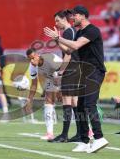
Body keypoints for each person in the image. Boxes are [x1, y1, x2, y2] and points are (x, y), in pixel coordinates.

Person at [44, 5, 108, 153]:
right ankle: (84, 141)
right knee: (79, 106)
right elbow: (69, 50)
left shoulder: (92, 30)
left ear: (83, 16)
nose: (72, 18)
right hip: (85, 72)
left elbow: (76, 44)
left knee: (89, 104)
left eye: (74, 15)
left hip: (95, 71)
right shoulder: (80, 32)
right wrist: (57, 39)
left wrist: (58, 37)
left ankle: (99, 138)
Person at [48, 10, 81, 143]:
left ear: (64, 19)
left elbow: (68, 53)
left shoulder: (68, 32)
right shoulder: (71, 31)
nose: (56, 23)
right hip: (76, 68)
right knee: (74, 101)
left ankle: (64, 135)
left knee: (67, 101)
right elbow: (66, 49)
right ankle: (80, 133)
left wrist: (61, 71)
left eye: (57, 20)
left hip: (71, 68)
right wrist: (56, 39)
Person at [26, 48, 62, 140]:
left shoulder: (49, 60)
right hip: (52, 77)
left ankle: (88, 130)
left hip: (65, 73)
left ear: (37, 55)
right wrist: (29, 100)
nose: (32, 61)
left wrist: (59, 91)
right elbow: (34, 84)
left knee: (71, 102)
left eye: (33, 58)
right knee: (48, 101)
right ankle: (50, 133)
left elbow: (61, 74)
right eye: (29, 59)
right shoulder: (32, 66)